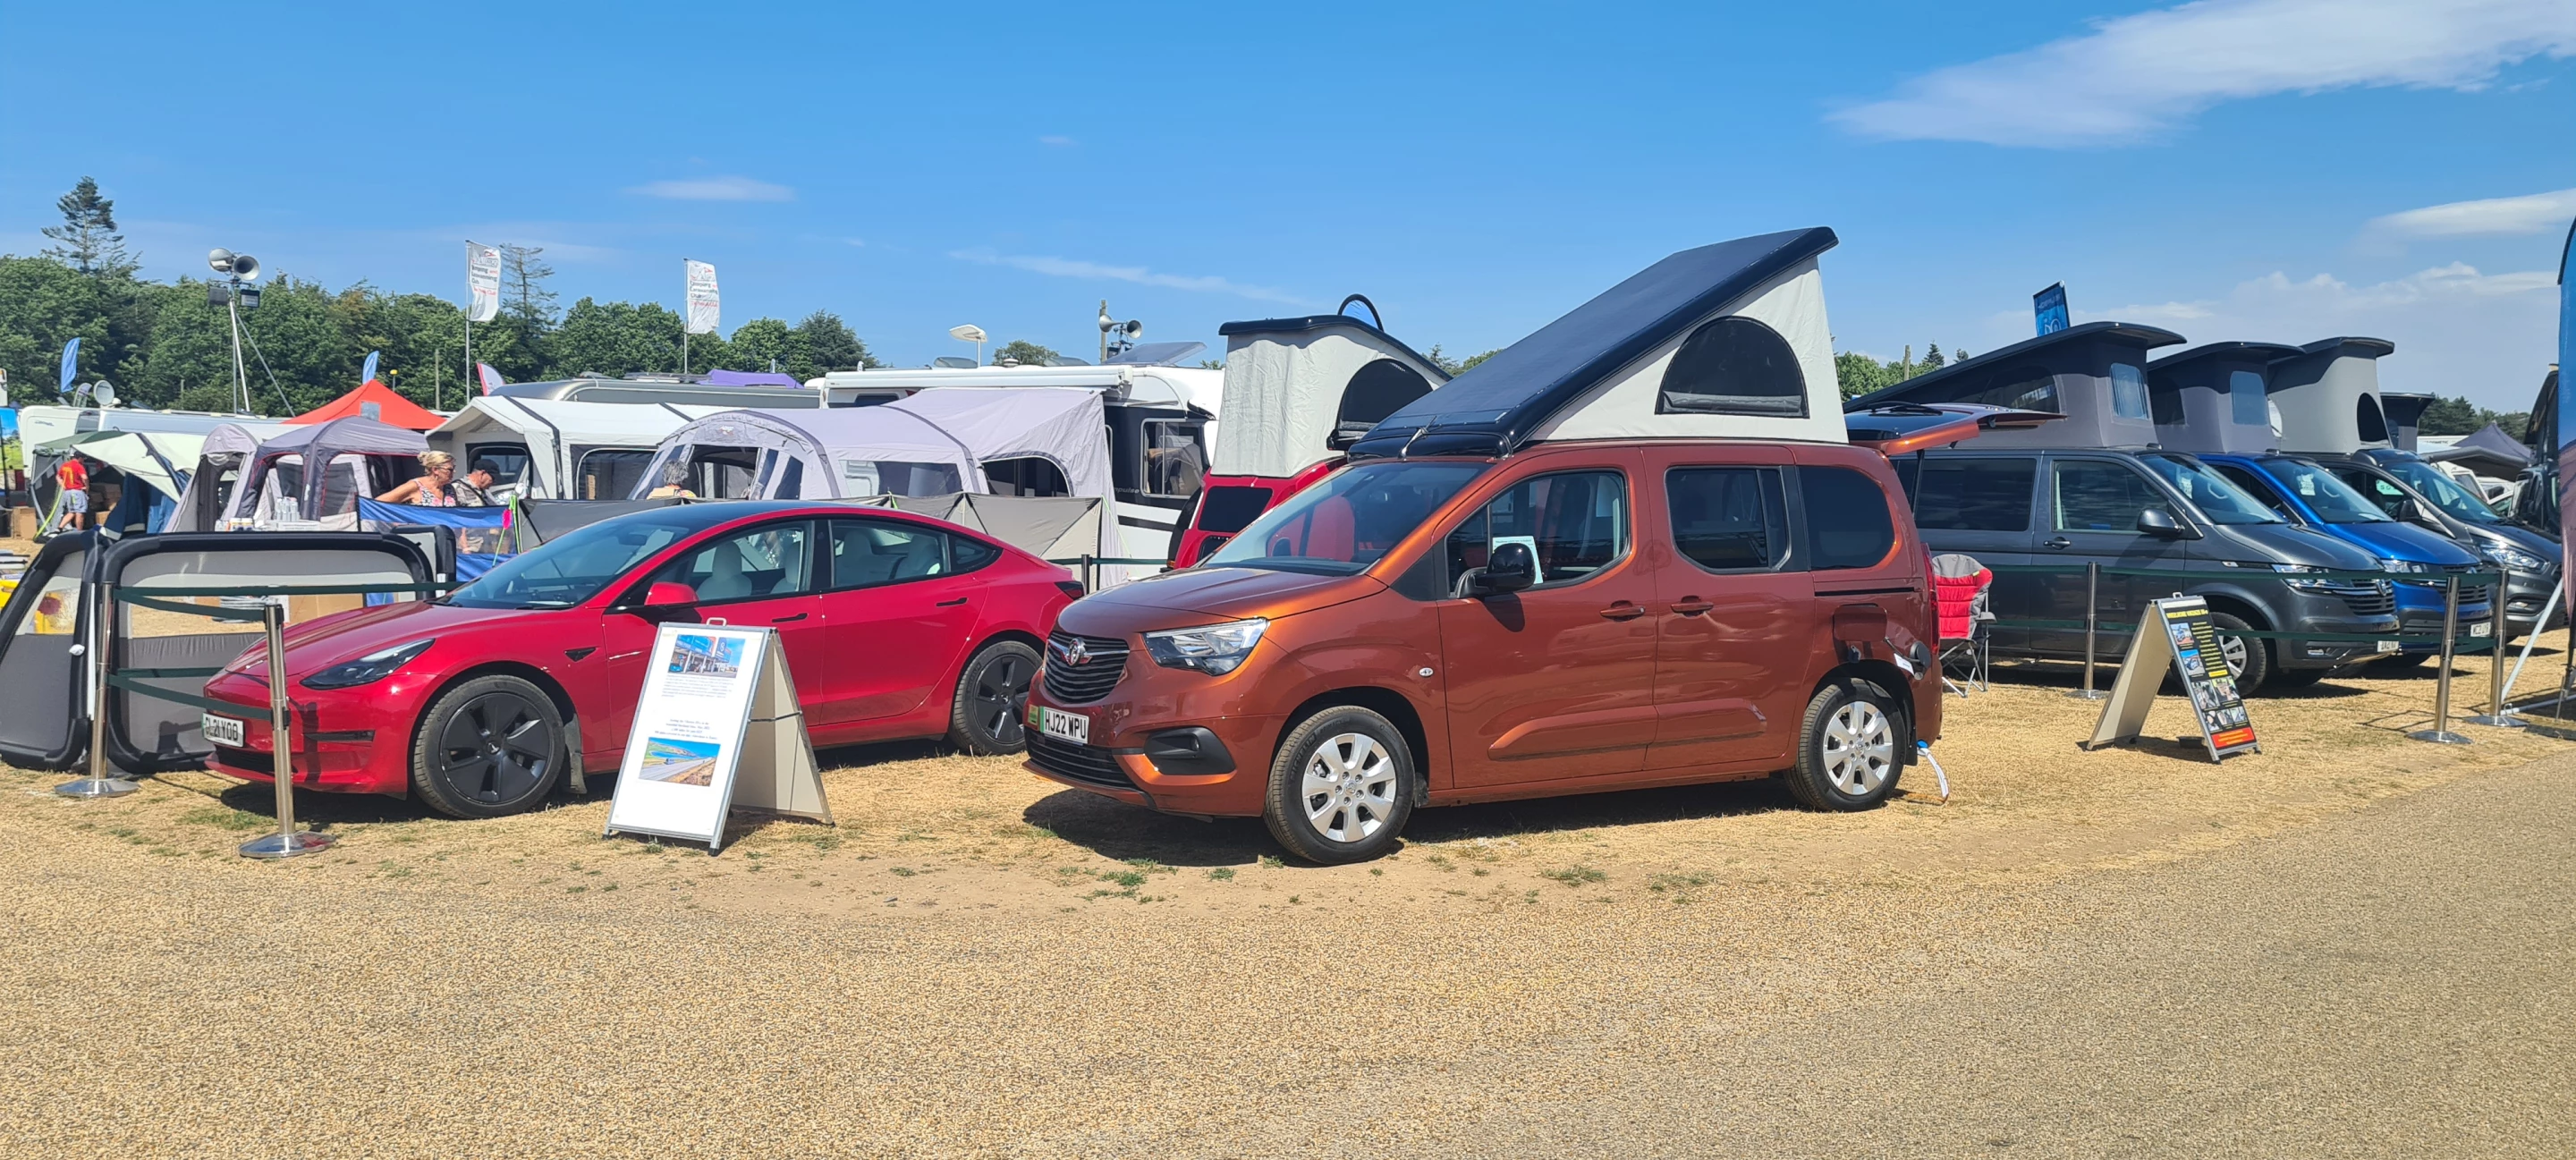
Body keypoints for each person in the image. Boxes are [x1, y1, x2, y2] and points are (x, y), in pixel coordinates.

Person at [377, 451, 459, 506]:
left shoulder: (449, 489)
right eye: (450, 469)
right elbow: (378, 503)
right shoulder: (416, 486)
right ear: (435, 470)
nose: (454, 472)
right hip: (423, 531)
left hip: (447, 531)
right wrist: (396, 522)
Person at [49, 457, 89, 533]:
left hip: (68, 492)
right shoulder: (78, 466)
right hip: (77, 491)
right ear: (80, 458)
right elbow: (84, 477)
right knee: (80, 512)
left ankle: (60, 528)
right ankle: (79, 532)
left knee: (72, 511)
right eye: (83, 459)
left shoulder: (65, 465)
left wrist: (62, 485)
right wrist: (87, 486)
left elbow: (58, 476)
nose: (83, 461)